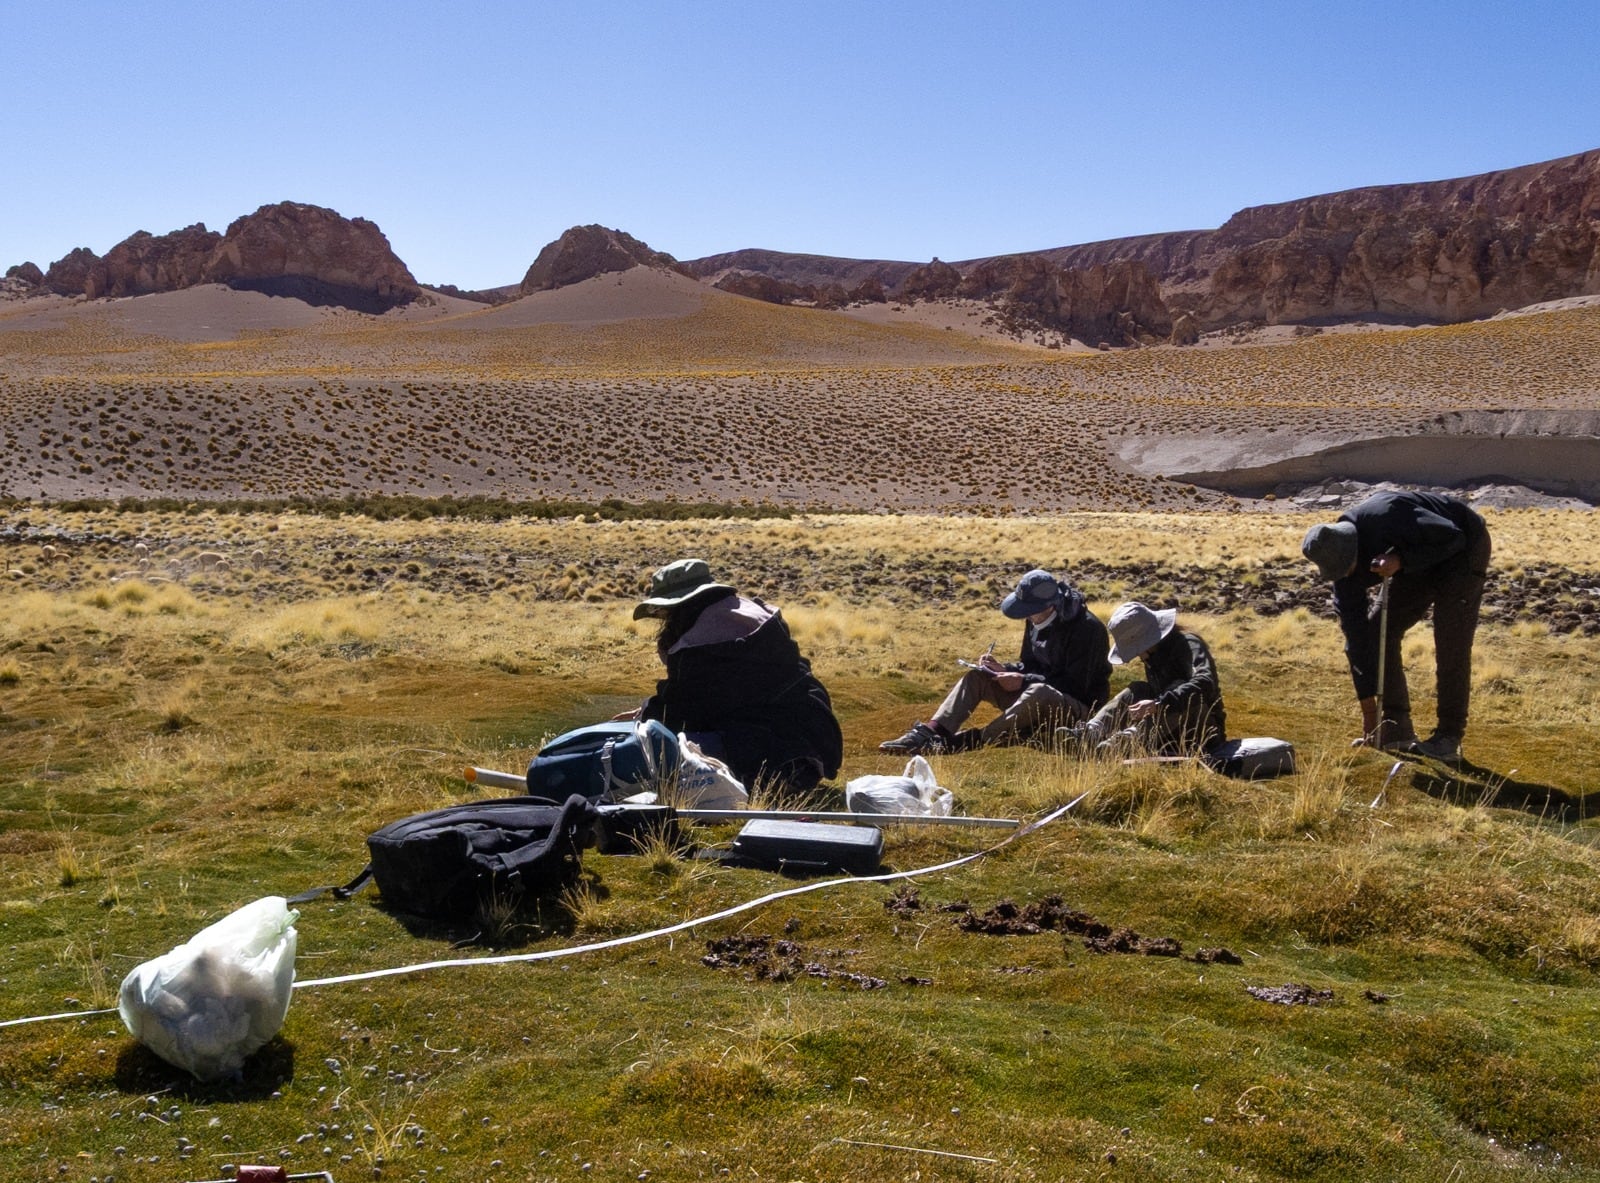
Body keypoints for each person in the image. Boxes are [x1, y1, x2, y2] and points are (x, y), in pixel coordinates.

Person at [1302, 490, 1490, 762]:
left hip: (1463, 544)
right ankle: (1394, 728)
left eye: (1353, 568)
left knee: (1451, 641)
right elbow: (1356, 642)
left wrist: (1401, 560)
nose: (1351, 576)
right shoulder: (1342, 569)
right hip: (1415, 556)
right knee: (1378, 630)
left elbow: (1454, 537)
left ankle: (1449, 737)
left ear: (1358, 548)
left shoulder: (1388, 517)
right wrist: (1369, 717)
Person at [629, 558, 842, 794]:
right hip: (814, 749)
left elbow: (680, 710)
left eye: (666, 613)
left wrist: (646, 716)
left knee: (666, 744)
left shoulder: (699, 647)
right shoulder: (759, 619)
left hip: (771, 763)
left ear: (679, 609)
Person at [879, 568, 1111, 755]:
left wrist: (1023, 681)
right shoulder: (1038, 619)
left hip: (1080, 711)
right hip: (1034, 694)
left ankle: (968, 742)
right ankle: (930, 733)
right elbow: (1029, 663)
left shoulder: (1087, 630)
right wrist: (1004, 670)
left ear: (1051, 605)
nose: (1028, 617)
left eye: (1031, 612)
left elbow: (1076, 686)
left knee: (1039, 691)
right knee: (978, 677)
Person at [1059, 601, 1226, 758]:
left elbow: (1205, 681)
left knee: (1178, 689)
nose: (1137, 655)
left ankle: (1124, 744)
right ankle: (1090, 733)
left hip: (1204, 731)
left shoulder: (1188, 644)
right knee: (1138, 689)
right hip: (1170, 730)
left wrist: (1159, 704)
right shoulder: (1153, 654)